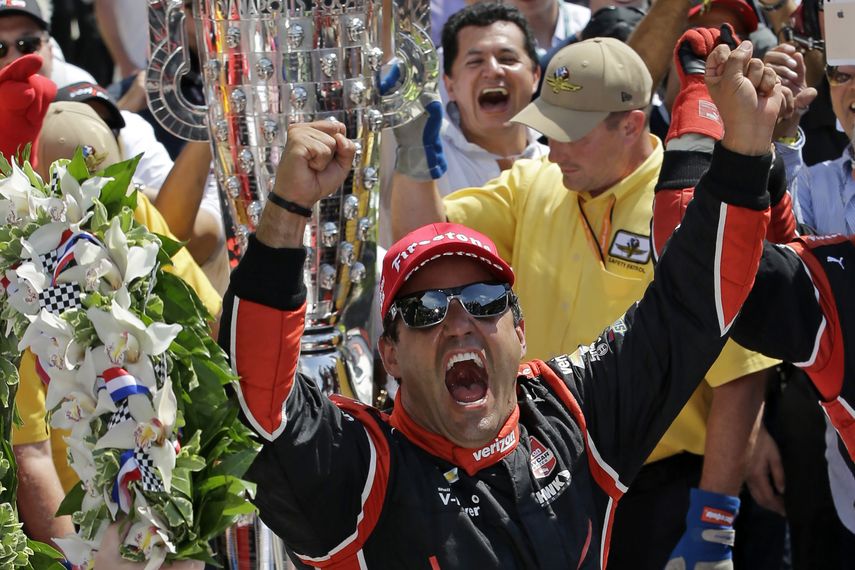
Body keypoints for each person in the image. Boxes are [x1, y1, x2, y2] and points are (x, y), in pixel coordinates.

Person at [219, 40, 785, 567]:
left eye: (485, 300)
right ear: (390, 355)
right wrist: (286, 211)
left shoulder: (570, 413)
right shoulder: (361, 470)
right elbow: (254, 402)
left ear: (519, 329)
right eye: (425, 309)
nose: (459, 323)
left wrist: (745, 148)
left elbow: (694, 304)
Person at [391, 35, 777, 568]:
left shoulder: (685, 204)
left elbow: (740, 376)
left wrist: (713, 522)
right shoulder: (533, 183)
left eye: (571, 134)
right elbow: (422, 246)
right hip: (546, 474)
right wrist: (413, 154)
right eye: (548, 129)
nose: (554, 150)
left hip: (659, 490)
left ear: (632, 124)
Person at [9, 101, 221, 557]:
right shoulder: (20, 277)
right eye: (79, 207)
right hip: (88, 520)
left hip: (166, 499)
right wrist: (79, 562)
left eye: (104, 202)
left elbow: (207, 323)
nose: (94, 227)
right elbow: (31, 452)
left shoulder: (134, 211)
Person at [0, 0, 97, 88]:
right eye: (1, 48)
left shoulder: (80, 86)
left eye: (27, 44)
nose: (14, 59)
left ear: (50, 49)